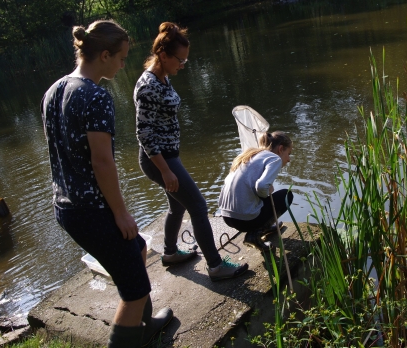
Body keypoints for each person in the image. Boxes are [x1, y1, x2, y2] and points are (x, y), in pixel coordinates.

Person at [41, 20, 172, 348]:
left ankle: (146, 324)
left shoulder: (54, 90)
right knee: (135, 290)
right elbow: (102, 162)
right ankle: (127, 339)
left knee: (139, 249)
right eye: (121, 58)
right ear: (103, 55)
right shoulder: (95, 96)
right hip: (92, 210)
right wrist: (120, 213)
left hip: (65, 206)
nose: (123, 64)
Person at [134, 22, 248, 281]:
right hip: (159, 160)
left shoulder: (162, 77)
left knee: (176, 207)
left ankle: (170, 252)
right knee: (197, 206)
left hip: (168, 155)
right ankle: (216, 266)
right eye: (180, 60)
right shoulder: (148, 86)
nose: (183, 65)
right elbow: (144, 134)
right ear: (163, 56)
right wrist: (165, 170)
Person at [218, 131, 294, 251]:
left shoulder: (249, 154)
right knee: (287, 195)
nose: (289, 159)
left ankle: (264, 227)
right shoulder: (275, 159)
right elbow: (261, 186)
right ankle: (256, 233)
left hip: (226, 216)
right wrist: (267, 191)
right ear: (280, 149)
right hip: (244, 220)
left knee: (265, 198)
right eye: (288, 153)